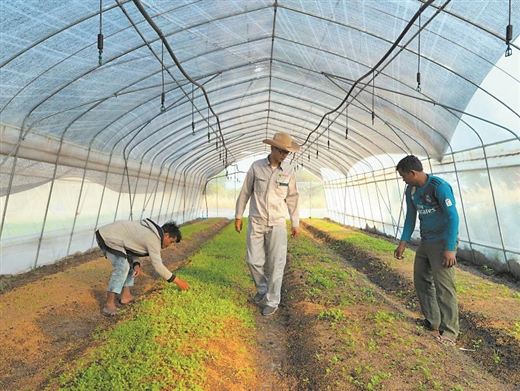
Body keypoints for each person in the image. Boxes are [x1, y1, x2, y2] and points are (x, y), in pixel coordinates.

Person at [393, 155, 459, 346]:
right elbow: (410, 217)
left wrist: (449, 248)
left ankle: (450, 332)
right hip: (426, 240)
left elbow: (453, 217)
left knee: (444, 287)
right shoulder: (411, 190)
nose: (403, 179)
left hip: (443, 241)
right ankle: (433, 322)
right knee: (421, 279)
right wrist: (403, 243)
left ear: (413, 173)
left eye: (404, 176)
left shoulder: (439, 187)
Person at [235, 132, 301, 316]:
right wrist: (239, 215)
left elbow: (293, 198)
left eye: (286, 153)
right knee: (253, 260)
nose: (283, 155)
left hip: (278, 223)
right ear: (271, 148)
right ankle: (263, 288)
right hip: (256, 220)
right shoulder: (256, 167)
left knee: (276, 263)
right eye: (281, 151)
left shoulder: (288, 171)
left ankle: (272, 300)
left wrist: (295, 222)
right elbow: (245, 192)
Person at [95, 218, 190, 317]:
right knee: (122, 267)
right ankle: (109, 305)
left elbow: (132, 246)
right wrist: (179, 282)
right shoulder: (153, 239)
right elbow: (158, 265)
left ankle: (126, 296)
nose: (170, 245)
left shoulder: (152, 234)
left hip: (117, 239)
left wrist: (136, 264)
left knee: (130, 266)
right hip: (108, 237)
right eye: (171, 241)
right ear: (166, 235)